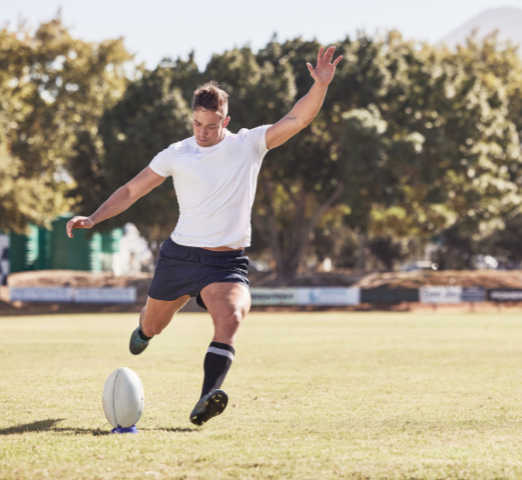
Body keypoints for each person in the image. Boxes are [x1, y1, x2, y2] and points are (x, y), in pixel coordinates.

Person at [66, 46, 343, 426]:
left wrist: (321, 86)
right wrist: (94, 217)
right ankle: (144, 328)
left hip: (225, 262)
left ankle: (207, 396)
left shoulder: (247, 144)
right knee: (152, 326)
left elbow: (297, 119)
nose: (203, 132)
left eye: (211, 125)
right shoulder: (176, 153)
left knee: (230, 317)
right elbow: (132, 190)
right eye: (197, 124)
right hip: (180, 257)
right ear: (192, 118)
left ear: (225, 119)